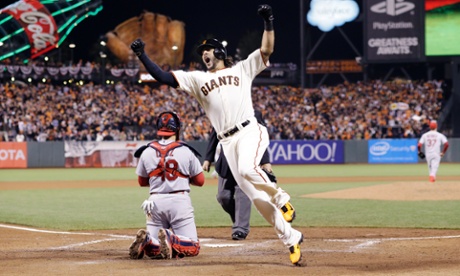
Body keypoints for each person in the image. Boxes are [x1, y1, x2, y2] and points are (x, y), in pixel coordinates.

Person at [130, 4, 304, 266]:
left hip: (249, 130)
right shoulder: (198, 79)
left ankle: (281, 198)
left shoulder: (241, 69)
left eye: (208, 50)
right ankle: (291, 238)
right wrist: (143, 56)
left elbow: (267, 49)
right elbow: (164, 76)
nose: (205, 55)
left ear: (220, 52)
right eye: (202, 53)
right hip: (227, 142)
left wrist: (268, 21)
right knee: (257, 199)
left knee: (247, 169)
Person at [129, 111, 205, 260]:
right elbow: (200, 181)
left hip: (154, 202)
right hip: (179, 201)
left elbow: (142, 182)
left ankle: (148, 241)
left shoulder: (146, 151)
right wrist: (181, 177)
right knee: (193, 247)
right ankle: (172, 238)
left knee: (157, 247)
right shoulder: (186, 150)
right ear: (177, 128)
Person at [202, 110, 276, 241]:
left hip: (245, 160)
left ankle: (240, 229)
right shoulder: (221, 112)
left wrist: (265, 161)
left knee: (242, 193)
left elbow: (260, 136)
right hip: (226, 162)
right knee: (223, 196)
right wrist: (208, 159)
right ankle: (239, 219)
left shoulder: (254, 113)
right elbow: (215, 135)